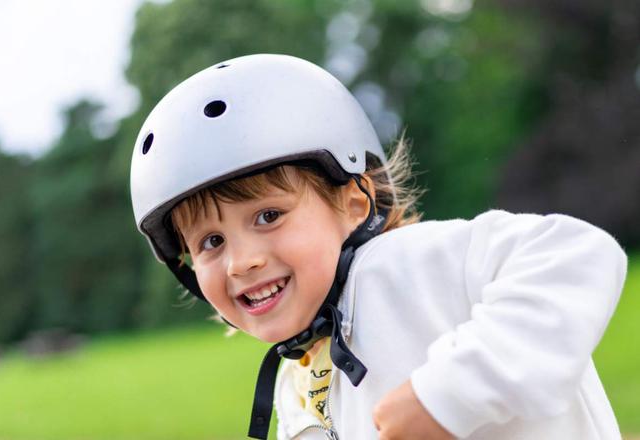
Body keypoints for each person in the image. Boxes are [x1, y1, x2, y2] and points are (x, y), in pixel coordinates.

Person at [129, 54, 627, 440]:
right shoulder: (296, 381)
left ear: (352, 200)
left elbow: (577, 255)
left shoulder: (406, 267)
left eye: (268, 216)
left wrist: (448, 397)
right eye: (211, 242)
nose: (243, 260)